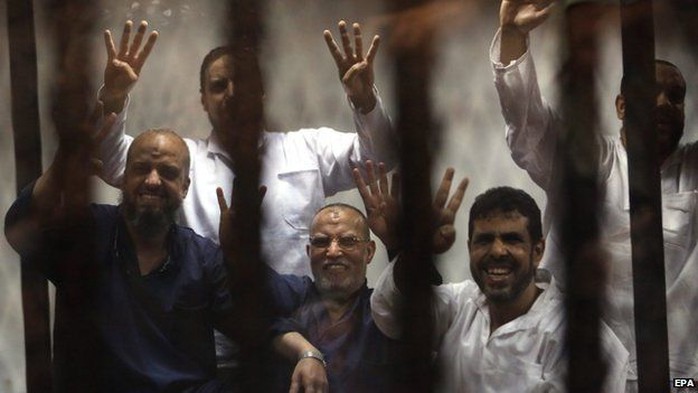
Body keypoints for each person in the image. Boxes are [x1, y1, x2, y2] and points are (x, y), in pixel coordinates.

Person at [4, 120, 327, 392]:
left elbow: (258, 319)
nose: (153, 180)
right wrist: (63, 166)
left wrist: (308, 354)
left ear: (185, 186)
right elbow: (21, 228)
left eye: (168, 173)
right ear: (124, 176)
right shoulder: (88, 234)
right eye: (142, 169)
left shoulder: (201, 257)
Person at [492, 0, 698, 387]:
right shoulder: (587, 157)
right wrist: (514, 37)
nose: (663, 104)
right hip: (575, 358)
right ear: (621, 106)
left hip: (675, 371)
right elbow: (529, 123)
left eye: (676, 96)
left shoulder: (692, 167)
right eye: (650, 91)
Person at [97, 19, 396, 277]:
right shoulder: (181, 162)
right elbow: (110, 161)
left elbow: (380, 159)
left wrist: (364, 99)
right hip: (212, 333)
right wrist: (113, 96)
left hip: (301, 327)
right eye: (218, 86)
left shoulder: (308, 149)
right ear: (203, 100)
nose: (232, 93)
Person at [214, 161, 451, 392]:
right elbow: (250, 287)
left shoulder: (382, 311)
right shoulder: (293, 295)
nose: (333, 251)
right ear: (309, 252)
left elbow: (418, 298)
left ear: (369, 252)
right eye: (321, 242)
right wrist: (237, 251)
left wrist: (402, 245)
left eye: (348, 241)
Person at [370, 184, 630, 392]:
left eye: (511, 239)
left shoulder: (582, 338)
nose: (497, 251)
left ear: (537, 250)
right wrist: (416, 251)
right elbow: (390, 312)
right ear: (470, 247)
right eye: (484, 240)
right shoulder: (460, 305)